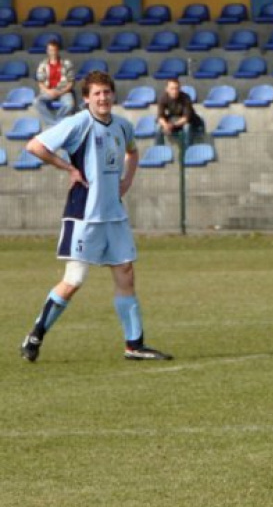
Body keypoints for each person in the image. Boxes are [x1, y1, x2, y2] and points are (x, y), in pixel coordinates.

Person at [19, 71, 173, 363]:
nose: (102, 98)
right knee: (74, 279)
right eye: (97, 93)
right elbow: (35, 146)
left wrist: (127, 180)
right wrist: (69, 169)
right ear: (87, 98)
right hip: (84, 215)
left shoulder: (123, 126)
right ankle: (36, 334)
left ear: (113, 95)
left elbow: (133, 153)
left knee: (126, 273)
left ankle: (134, 344)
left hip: (113, 214)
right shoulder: (79, 123)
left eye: (107, 92)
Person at [34, 39, 78, 127]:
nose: (52, 52)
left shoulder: (67, 63)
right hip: (49, 91)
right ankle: (54, 124)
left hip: (63, 91)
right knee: (36, 102)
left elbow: (71, 83)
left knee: (70, 104)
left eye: (54, 50)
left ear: (58, 50)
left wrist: (60, 92)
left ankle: (57, 122)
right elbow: (40, 82)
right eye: (50, 50)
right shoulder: (43, 65)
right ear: (47, 51)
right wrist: (48, 91)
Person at [156, 77, 206, 148]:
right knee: (158, 127)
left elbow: (186, 118)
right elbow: (160, 116)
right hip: (173, 119)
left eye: (177, 88)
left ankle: (187, 151)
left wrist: (173, 125)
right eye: (172, 89)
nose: (175, 91)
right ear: (167, 89)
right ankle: (159, 151)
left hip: (190, 122)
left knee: (186, 127)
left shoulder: (186, 98)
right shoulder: (163, 98)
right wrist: (165, 125)